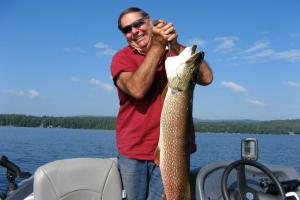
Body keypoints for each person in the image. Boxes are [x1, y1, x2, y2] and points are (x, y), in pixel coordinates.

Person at [110, 7, 213, 200]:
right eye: (127, 29)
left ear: (151, 22)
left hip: (175, 150)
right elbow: (136, 89)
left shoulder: (175, 55)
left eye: (138, 23)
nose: (134, 31)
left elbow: (207, 78)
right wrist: (158, 47)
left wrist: (173, 45)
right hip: (134, 150)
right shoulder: (121, 58)